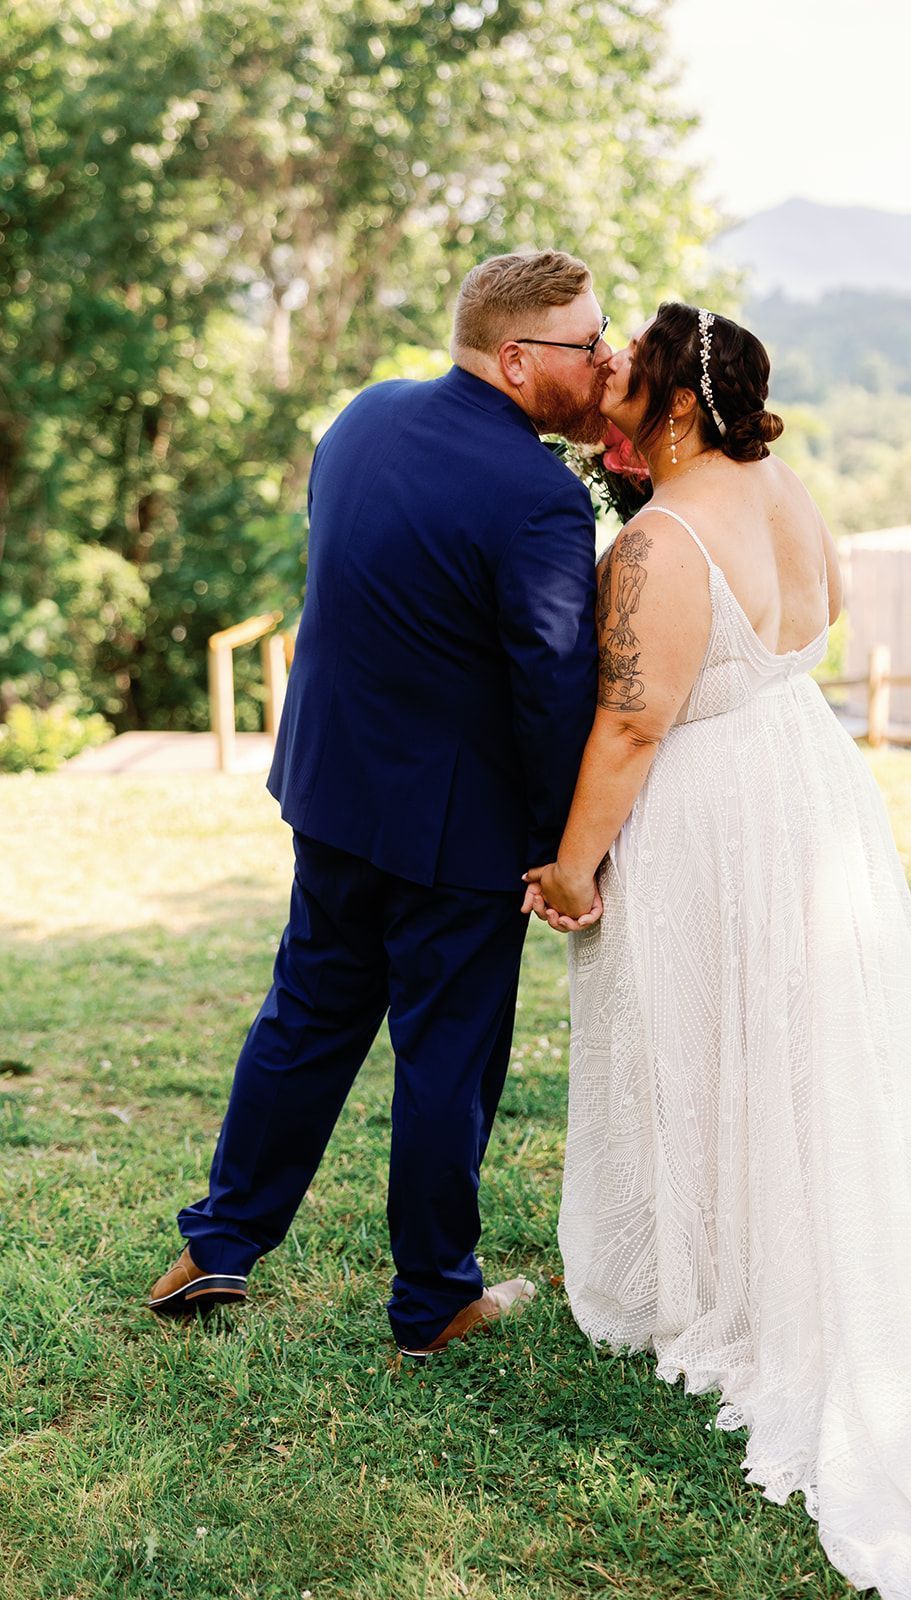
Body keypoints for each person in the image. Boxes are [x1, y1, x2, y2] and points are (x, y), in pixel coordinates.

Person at [524, 304, 911, 1600]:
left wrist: (575, 863)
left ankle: (732, 1292)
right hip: (805, 781)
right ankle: (764, 1266)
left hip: (710, 812)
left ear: (682, 407)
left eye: (631, 385)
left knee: (703, 1045)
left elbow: (634, 728)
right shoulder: (791, 491)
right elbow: (810, 620)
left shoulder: (654, 540)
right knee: (802, 1052)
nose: (611, 402)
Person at [148, 250, 608, 1357]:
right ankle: (433, 1299)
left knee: (304, 1018)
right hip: (457, 831)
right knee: (446, 1059)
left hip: (332, 792)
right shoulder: (539, 495)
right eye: (586, 346)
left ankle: (216, 1244)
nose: (602, 364)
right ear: (515, 359)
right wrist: (561, 847)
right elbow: (550, 685)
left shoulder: (360, 419)